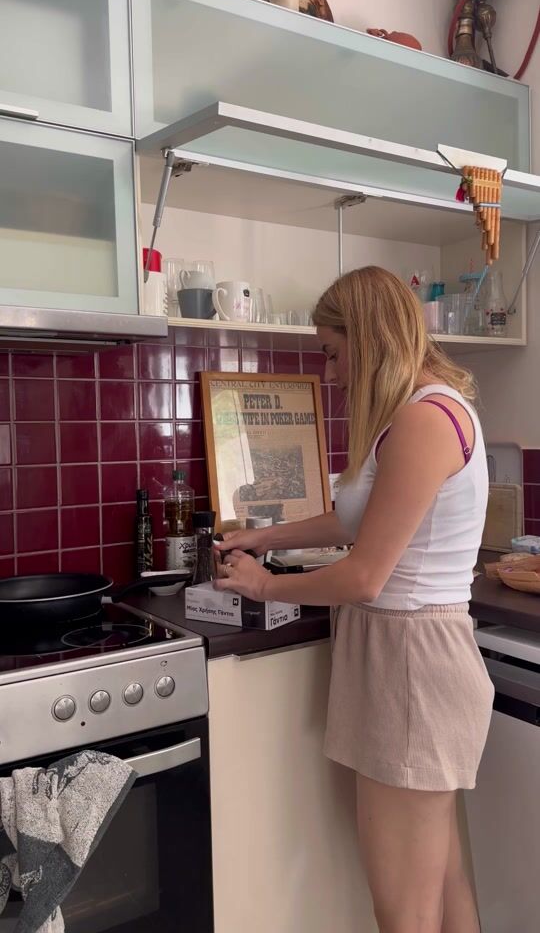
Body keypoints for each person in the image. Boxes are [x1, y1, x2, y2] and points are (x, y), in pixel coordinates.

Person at [214, 265, 494, 933]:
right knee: (443, 882)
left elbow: (365, 574)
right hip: (407, 661)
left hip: (410, 666)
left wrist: (267, 583)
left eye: (334, 353)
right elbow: (355, 521)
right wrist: (267, 535)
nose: (331, 373)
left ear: (367, 341)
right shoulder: (419, 412)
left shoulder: (425, 422)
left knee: (404, 911)